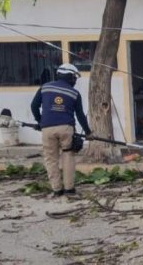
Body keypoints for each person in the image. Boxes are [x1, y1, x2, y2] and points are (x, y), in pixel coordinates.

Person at [30, 63, 92, 197]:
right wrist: (88, 132)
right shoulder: (74, 93)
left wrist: (40, 121)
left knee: (51, 159)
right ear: (71, 77)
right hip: (66, 128)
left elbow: (34, 106)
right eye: (75, 78)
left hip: (47, 128)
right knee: (68, 156)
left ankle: (57, 190)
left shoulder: (44, 88)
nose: (75, 81)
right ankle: (69, 189)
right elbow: (80, 115)